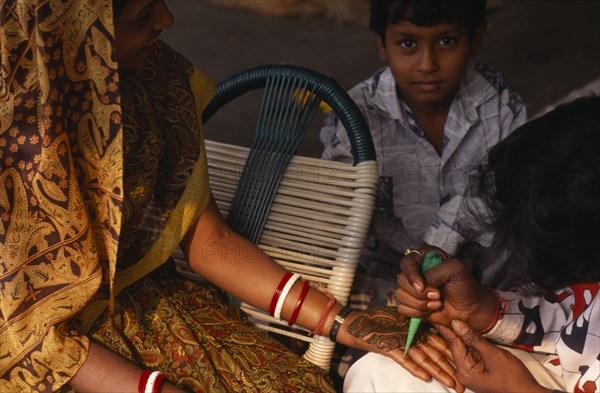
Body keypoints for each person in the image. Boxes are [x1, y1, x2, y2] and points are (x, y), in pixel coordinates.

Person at [0, 1, 462, 391]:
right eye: (142, 15)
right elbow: (22, 332)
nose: (166, 19)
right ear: (72, 35)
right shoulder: (13, 138)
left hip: (151, 308)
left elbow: (209, 242)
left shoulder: (154, 82)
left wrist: (343, 324)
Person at [344, 96, 600, 392]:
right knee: (380, 374)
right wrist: (483, 309)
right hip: (564, 369)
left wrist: (520, 390)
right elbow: (581, 315)